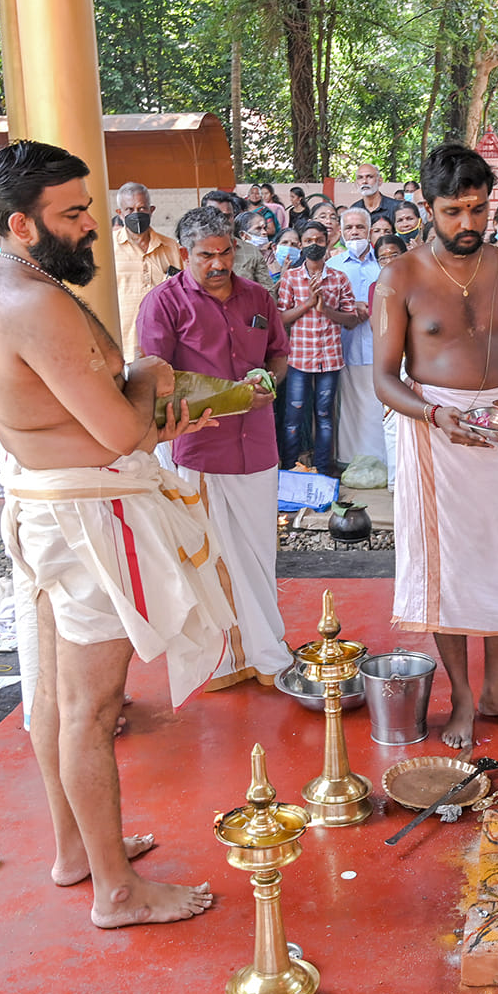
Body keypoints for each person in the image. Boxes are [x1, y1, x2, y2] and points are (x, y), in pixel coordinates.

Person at [0, 139, 230, 929]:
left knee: (54, 695)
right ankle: (116, 891)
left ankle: (77, 851)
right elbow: (120, 430)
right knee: (89, 705)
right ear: (21, 222)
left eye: (89, 208)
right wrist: (153, 371)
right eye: (74, 213)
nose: (92, 225)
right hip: (81, 519)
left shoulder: (3, 284)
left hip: (53, 506)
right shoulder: (32, 302)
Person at [375, 143, 498, 748]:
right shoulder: (399, 278)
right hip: (434, 432)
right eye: (453, 211)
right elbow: (382, 378)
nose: (468, 224)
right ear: (427, 207)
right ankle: (462, 698)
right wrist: (435, 415)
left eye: (478, 210)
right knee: (446, 568)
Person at [136, 206, 294, 691]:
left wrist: (269, 381)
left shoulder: (257, 297)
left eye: (226, 252)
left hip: (259, 445)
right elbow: (153, 374)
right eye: (207, 255)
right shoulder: (162, 303)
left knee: (260, 554)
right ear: (186, 254)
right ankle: (233, 659)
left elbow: (279, 355)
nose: (219, 263)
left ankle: (265, 649)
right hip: (200, 447)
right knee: (213, 556)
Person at [276, 225, 360, 476]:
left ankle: (323, 468)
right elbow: (281, 319)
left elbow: (352, 318)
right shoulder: (290, 278)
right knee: (294, 415)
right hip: (299, 358)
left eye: (319, 239)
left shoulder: (338, 277)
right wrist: (309, 303)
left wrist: (326, 311)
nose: (314, 243)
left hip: (330, 359)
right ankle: (291, 468)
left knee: (324, 416)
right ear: (301, 244)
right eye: (308, 239)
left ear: (327, 243)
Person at [331, 206, 385, 469]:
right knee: (351, 411)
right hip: (345, 348)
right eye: (349, 228)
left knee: (379, 409)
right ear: (341, 232)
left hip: (382, 349)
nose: (355, 232)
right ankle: (349, 461)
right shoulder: (331, 266)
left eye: (360, 227)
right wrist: (351, 310)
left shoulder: (384, 263)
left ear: (370, 230)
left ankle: (384, 462)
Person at [110, 181, 181, 360]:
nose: (136, 214)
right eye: (129, 210)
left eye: (142, 209)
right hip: (122, 344)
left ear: (151, 210)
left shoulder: (170, 246)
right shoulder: (107, 248)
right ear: (120, 213)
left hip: (164, 341)